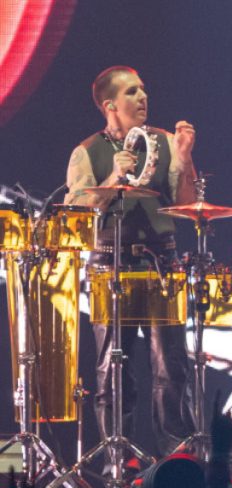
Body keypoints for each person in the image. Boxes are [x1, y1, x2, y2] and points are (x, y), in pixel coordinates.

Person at [65, 66, 198, 457]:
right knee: (113, 370)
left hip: (161, 264)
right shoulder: (87, 151)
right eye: (132, 92)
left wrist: (185, 158)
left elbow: (187, 204)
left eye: (143, 89)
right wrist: (113, 177)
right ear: (110, 105)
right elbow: (76, 212)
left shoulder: (166, 141)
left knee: (172, 367)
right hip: (110, 265)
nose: (143, 97)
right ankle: (118, 461)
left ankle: (177, 457)